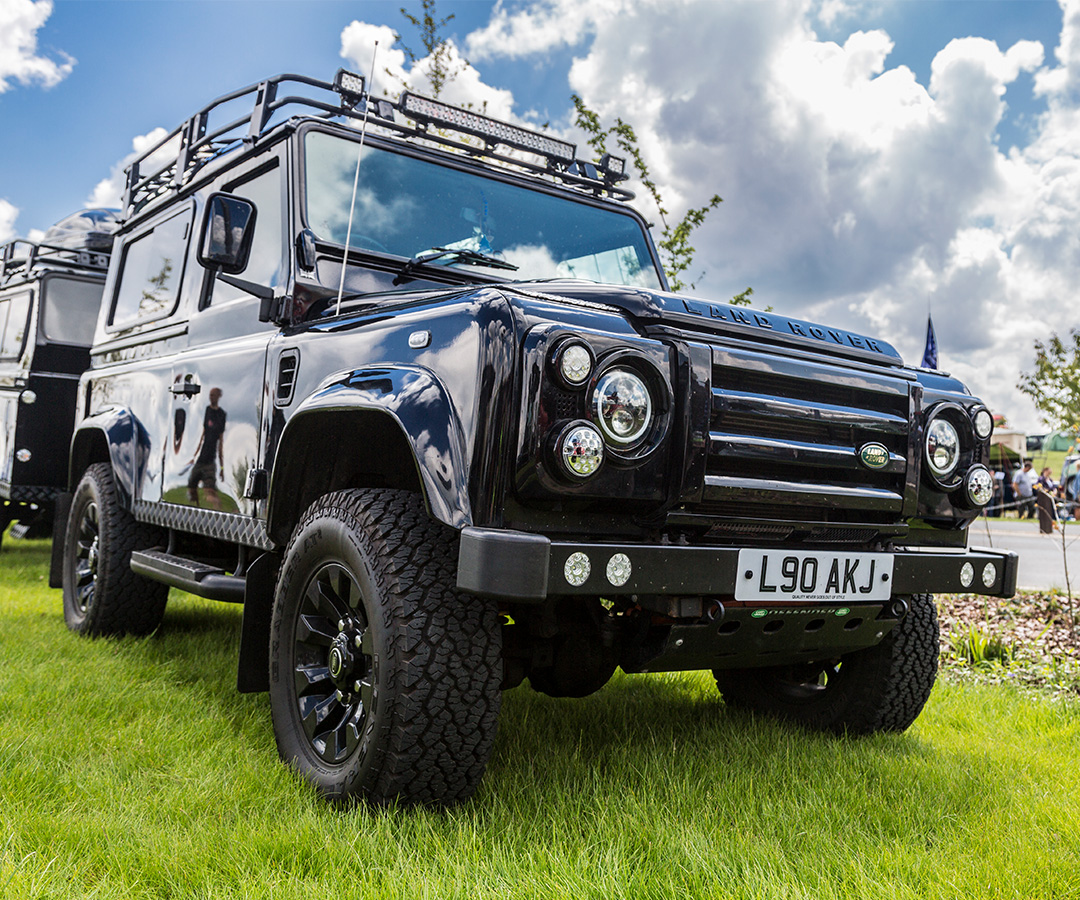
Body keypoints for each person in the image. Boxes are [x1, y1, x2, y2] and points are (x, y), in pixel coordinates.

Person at [187, 387, 226, 509]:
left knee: (209, 491)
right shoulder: (208, 410)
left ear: (219, 396)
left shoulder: (221, 415)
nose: (211, 397)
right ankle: (196, 509)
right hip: (201, 459)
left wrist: (222, 467)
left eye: (213, 395)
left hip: (210, 460)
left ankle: (218, 507)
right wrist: (195, 455)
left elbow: (221, 442)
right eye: (210, 395)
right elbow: (203, 435)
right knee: (191, 487)